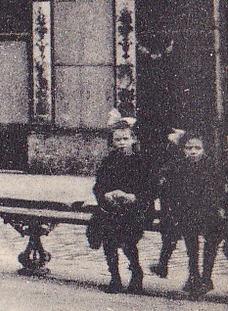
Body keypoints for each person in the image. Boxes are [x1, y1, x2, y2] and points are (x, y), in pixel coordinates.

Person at [91, 119, 157, 293]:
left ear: (133, 140)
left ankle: (136, 272)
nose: (121, 143)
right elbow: (98, 186)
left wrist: (133, 197)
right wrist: (106, 194)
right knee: (108, 235)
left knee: (127, 235)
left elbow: (152, 188)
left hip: (138, 207)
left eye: (125, 139)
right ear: (112, 142)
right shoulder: (108, 162)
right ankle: (115, 276)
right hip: (113, 207)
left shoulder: (142, 161)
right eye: (117, 140)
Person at [159, 131, 221, 298]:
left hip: (209, 212)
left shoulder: (210, 166)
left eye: (197, 148)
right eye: (189, 148)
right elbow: (172, 191)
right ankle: (193, 275)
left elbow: (215, 191)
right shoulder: (180, 166)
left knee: (212, 239)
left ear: (204, 150)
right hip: (188, 213)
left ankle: (206, 277)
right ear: (183, 150)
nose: (193, 152)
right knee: (190, 240)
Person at [153, 128, 188, 279]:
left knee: (171, 226)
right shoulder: (170, 149)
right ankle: (163, 263)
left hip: (183, 194)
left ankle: (163, 263)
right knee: (169, 224)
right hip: (171, 194)